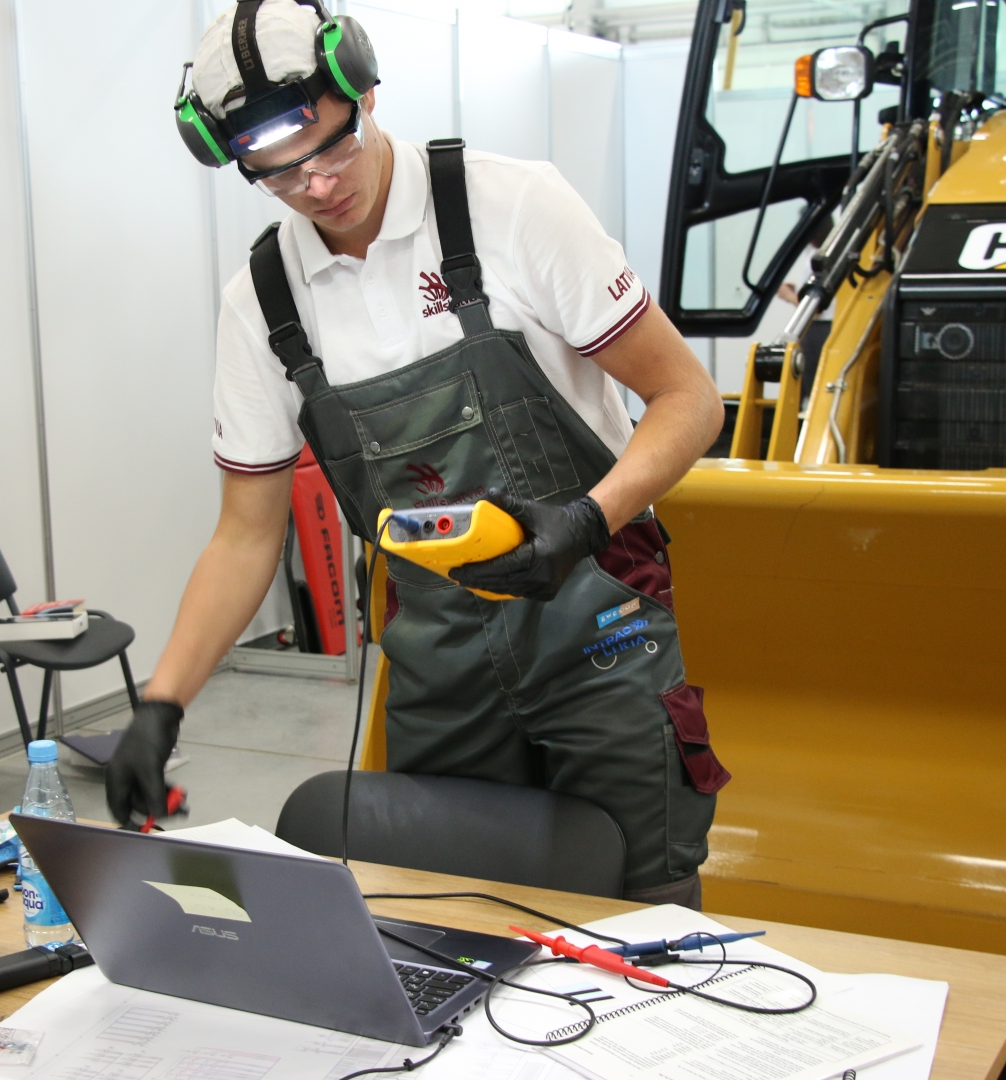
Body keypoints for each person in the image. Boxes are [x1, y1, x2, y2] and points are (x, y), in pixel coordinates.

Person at [107, 0, 727, 908]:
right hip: (440, 665)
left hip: (599, 631)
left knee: (643, 910)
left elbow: (690, 400)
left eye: (332, 147)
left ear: (365, 92)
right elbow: (245, 536)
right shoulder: (265, 302)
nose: (317, 186)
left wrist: (585, 520)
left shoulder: (512, 206)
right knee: (451, 912)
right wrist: (161, 705)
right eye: (279, 174)